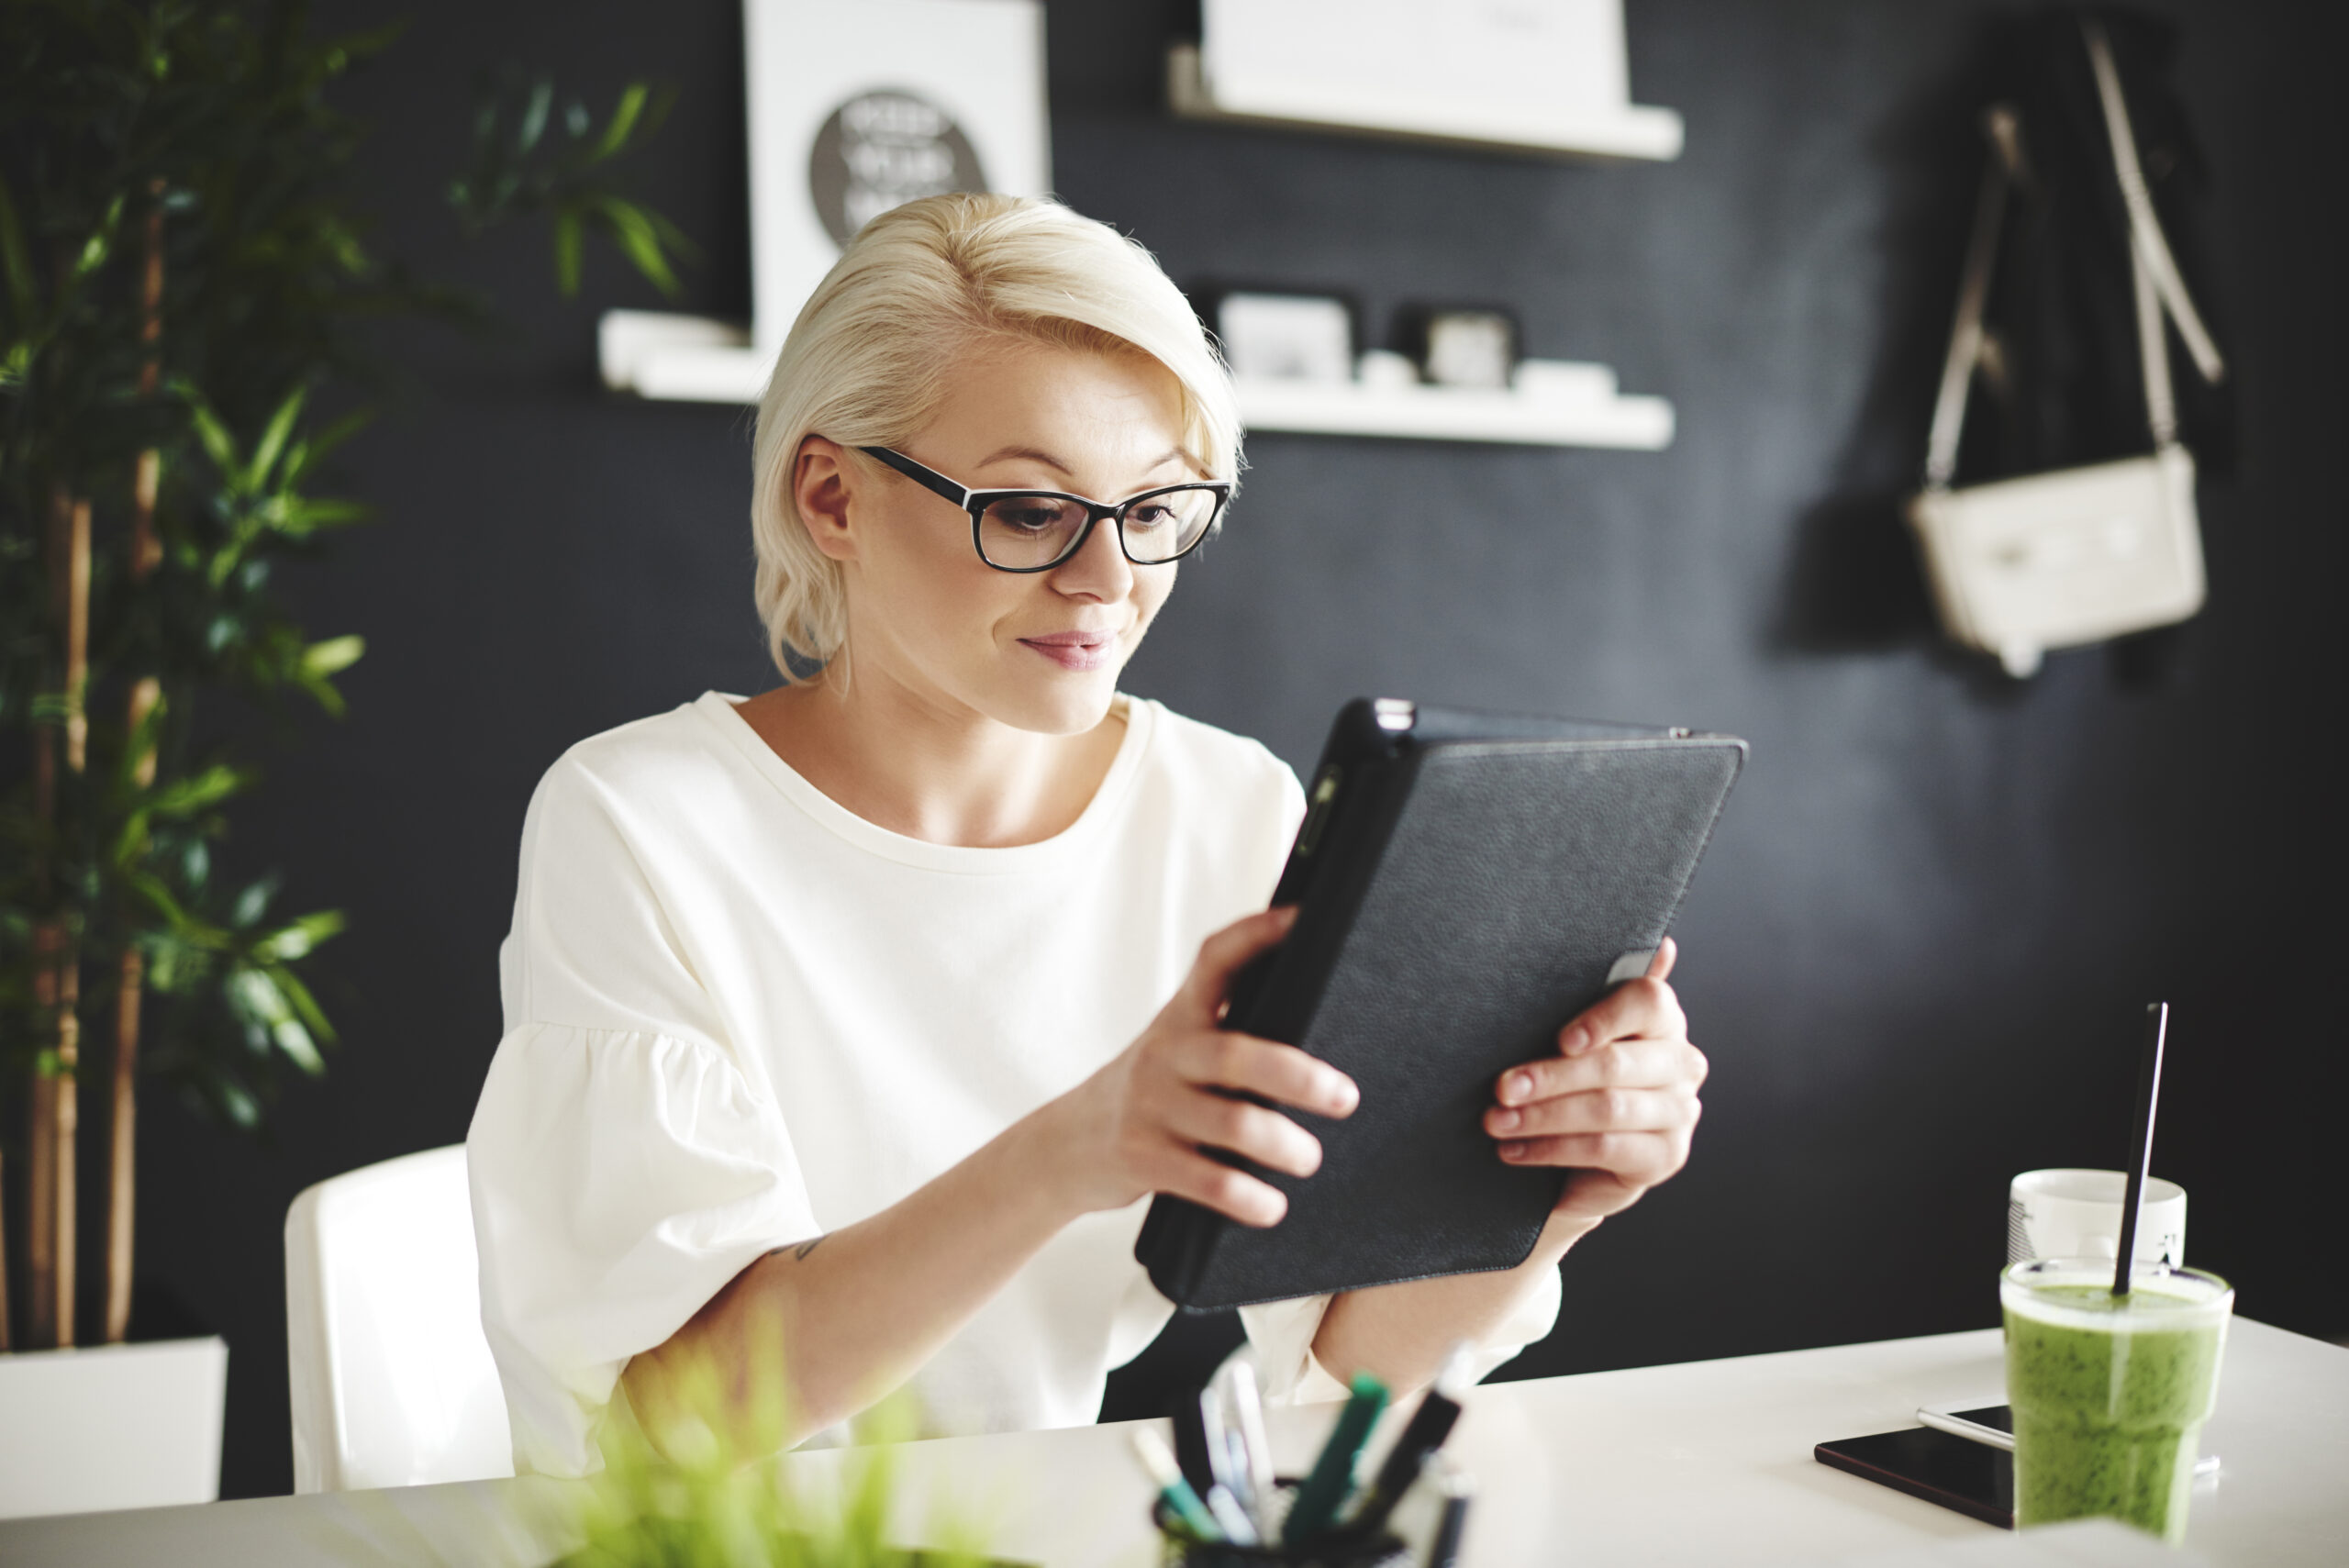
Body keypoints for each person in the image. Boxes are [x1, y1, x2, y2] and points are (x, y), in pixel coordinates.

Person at [466, 194, 1708, 1476]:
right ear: (832, 495)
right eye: (1027, 510)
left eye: (1158, 507)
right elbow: (665, 1428)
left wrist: (1547, 1204)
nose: (1110, 582)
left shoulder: (1230, 814)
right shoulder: (641, 822)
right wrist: (1072, 1150)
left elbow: (1334, 1382)